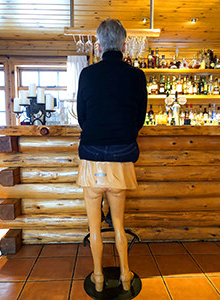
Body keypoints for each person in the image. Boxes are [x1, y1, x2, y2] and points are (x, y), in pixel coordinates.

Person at [76, 18, 147, 293]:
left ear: (99, 43)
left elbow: (83, 117)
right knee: (119, 223)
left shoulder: (87, 74)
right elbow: (139, 119)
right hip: (123, 156)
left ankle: (98, 278)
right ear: (125, 44)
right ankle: (126, 277)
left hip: (91, 156)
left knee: (94, 226)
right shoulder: (136, 75)